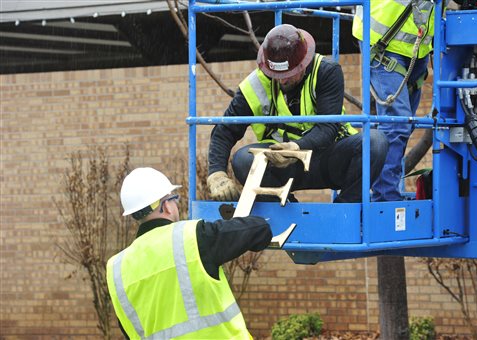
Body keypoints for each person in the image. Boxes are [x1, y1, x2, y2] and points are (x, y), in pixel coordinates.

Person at [207, 24, 388, 203]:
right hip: (282, 165)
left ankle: (344, 211)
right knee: (243, 160)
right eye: (276, 74)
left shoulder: (326, 71)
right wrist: (216, 173)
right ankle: (289, 211)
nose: (283, 79)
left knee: (375, 142)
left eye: (289, 73)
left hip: (328, 158)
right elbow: (225, 130)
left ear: (304, 63)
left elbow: (327, 128)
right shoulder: (255, 84)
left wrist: (297, 147)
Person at [106, 167, 272, 339]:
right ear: (167, 206)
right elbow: (259, 229)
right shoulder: (192, 237)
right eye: (174, 199)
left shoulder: (116, 269)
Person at [352, 0, 435, 201]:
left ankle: (386, 193)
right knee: (397, 124)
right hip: (384, 40)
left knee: (404, 125)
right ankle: (385, 198)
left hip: (416, 46)